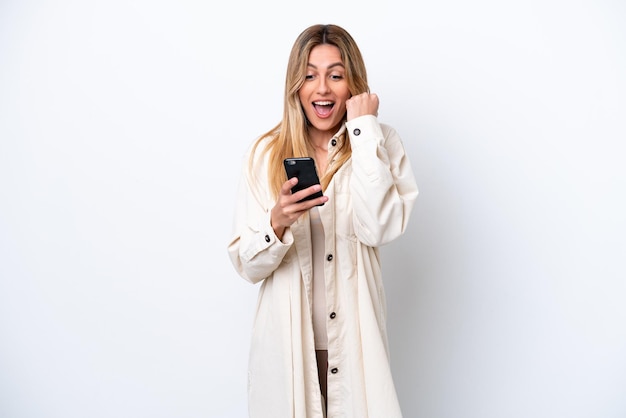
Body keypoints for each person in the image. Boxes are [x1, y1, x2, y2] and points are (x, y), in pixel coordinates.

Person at [227, 23, 418, 418]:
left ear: (354, 85)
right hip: (287, 352)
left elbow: (380, 227)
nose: (323, 88)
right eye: (310, 75)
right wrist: (277, 221)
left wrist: (364, 131)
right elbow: (246, 264)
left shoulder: (381, 142)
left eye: (336, 75)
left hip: (356, 348)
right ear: (296, 85)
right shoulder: (265, 154)